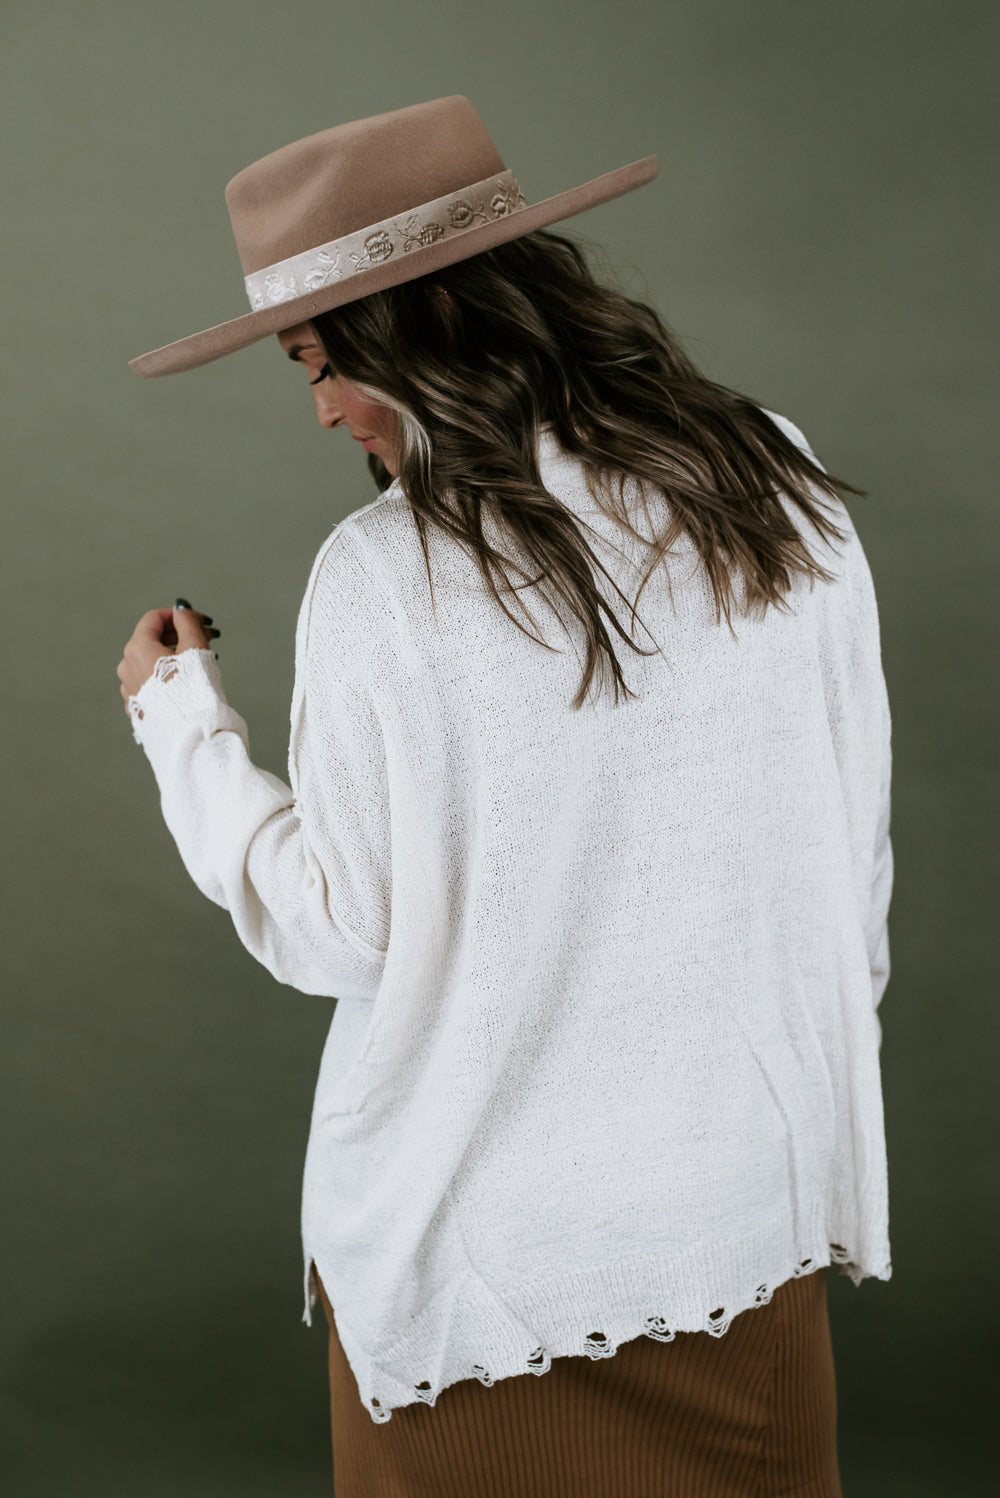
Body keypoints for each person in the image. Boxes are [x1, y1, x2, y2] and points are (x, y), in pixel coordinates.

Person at [118, 95, 892, 1497]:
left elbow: (340, 932)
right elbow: (854, 851)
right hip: (742, 1226)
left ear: (422, 326)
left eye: (321, 362)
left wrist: (183, 728)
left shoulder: (384, 572)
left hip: (485, 1270)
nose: (322, 410)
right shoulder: (774, 476)